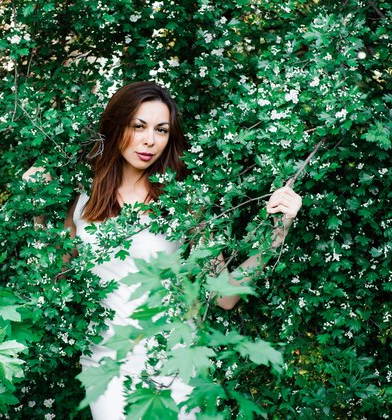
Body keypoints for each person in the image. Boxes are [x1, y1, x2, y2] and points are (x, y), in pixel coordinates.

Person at [23, 81, 302, 419]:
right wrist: (39, 209)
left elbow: (225, 295)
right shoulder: (82, 200)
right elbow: (58, 281)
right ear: (116, 126)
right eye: (138, 126)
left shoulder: (183, 203)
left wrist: (278, 232)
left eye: (161, 130)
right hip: (107, 369)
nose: (149, 140)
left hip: (175, 368)